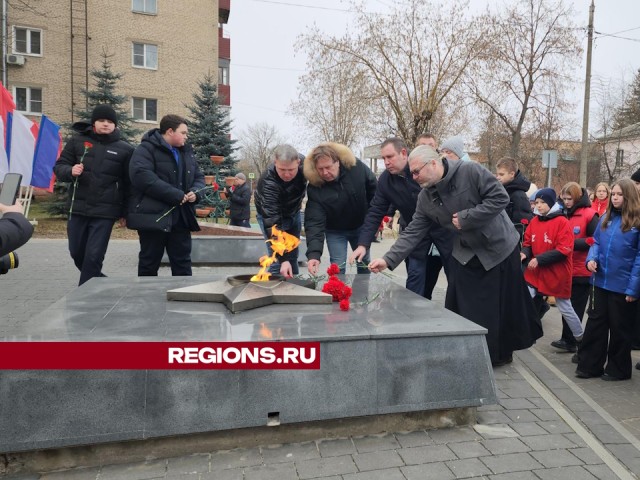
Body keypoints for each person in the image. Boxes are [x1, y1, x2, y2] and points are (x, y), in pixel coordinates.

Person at [369, 145, 542, 366]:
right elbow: (413, 231)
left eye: (416, 172)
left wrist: (468, 217)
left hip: (498, 249)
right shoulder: (425, 197)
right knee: (463, 303)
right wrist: (387, 259)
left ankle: (497, 354)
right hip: (466, 252)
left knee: (498, 307)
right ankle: (470, 349)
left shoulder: (471, 171)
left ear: (433, 163)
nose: (413, 177)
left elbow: (499, 198)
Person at [350, 137, 453, 298]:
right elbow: (376, 211)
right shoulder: (385, 180)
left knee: (454, 276)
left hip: (444, 230)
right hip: (415, 234)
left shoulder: (423, 169)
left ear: (403, 153)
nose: (386, 162)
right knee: (415, 277)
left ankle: (458, 317)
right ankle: (412, 316)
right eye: (383, 158)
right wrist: (363, 244)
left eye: (389, 157)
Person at [53, 104, 134, 285]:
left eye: (110, 121)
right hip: (78, 208)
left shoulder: (125, 149)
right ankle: (96, 279)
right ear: (94, 123)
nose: (105, 124)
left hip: (105, 212)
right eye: (101, 120)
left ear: (115, 125)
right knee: (76, 252)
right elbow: (59, 167)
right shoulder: (77, 142)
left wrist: (125, 212)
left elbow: (129, 185)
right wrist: (70, 170)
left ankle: (84, 296)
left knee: (94, 255)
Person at [576, 179, 640, 381]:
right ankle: (589, 365)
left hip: (622, 286)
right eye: (614, 194)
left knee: (620, 329)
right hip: (600, 282)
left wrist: (633, 289)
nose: (615, 198)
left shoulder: (636, 223)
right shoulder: (606, 217)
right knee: (596, 324)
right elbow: (595, 242)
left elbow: (639, 258)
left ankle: (618, 369)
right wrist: (591, 259)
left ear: (629, 196)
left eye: (620, 194)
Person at [127, 114, 205, 276]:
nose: (186, 136)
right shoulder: (146, 149)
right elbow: (142, 176)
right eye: (183, 133)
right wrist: (174, 195)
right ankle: (147, 298)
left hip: (181, 217)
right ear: (170, 131)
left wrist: (195, 193)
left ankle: (182, 296)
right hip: (153, 217)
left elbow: (199, 177)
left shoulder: (186, 153)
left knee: (182, 262)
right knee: (149, 262)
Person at [520, 188, 585, 344]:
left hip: (557, 272)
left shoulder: (562, 222)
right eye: (536, 203)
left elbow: (564, 249)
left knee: (565, 307)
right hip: (536, 272)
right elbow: (528, 241)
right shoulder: (535, 221)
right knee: (524, 298)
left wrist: (539, 259)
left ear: (551, 203)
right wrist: (524, 252)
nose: (539, 206)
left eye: (542, 203)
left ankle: (581, 338)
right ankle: (523, 332)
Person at [305, 142, 377, 275]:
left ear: (337, 162)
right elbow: (314, 222)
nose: (325, 173)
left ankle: (364, 293)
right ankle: (338, 294)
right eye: (320, 169)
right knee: (337, 267)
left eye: (328, 167)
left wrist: (373, 221)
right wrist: (314, 254)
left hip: (361, 225)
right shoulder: (315, 187)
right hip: (335, 231)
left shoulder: (357, 168)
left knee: (364, 262)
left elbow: (375, 191)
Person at [550, 182, 598, 355]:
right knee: (565, 306)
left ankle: (575, 340)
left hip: (581, 269)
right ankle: (567, 338)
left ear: (577, 198)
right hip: (564, 267)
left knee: (575, 307)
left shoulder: (590, 215)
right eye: (564, 199)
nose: (567, 202)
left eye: (570, 199)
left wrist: (570, 244)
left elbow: (594, 240)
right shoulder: (561, 213)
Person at [254, 144, 307, 277]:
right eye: (282, 169)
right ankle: (275, 292)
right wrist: (283, 259)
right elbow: (272, 224)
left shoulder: (306, 166)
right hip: (271, 217)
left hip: (293, 212)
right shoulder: (268, 183)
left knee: (293, 254)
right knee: (278, 260)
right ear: (275, 162)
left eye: (291, 169)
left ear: (298, 163)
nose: (287, 174)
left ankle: (294, 287)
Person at [495, 157, 533, 243]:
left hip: (510, 242)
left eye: (501, 174)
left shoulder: (518, 195)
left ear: (512, 174)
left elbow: (521, 224)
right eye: (497, 175)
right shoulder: (503, 191)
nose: (498, 177)